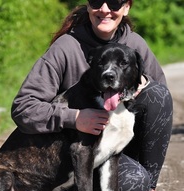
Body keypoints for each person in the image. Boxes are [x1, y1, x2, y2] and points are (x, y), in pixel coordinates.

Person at [11, 0, 173, 190]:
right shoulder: (66, 47)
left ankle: (150, 186)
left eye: (114, 2)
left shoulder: (135, 44)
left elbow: (162, 103)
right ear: (88, 5)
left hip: (113, 149)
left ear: (126, 7)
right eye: (96, 1)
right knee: (134, 180)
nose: (105, 9)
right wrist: (75, 117)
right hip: (75, 155)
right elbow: (23, 107)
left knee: (158, 94)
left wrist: (141, 83)